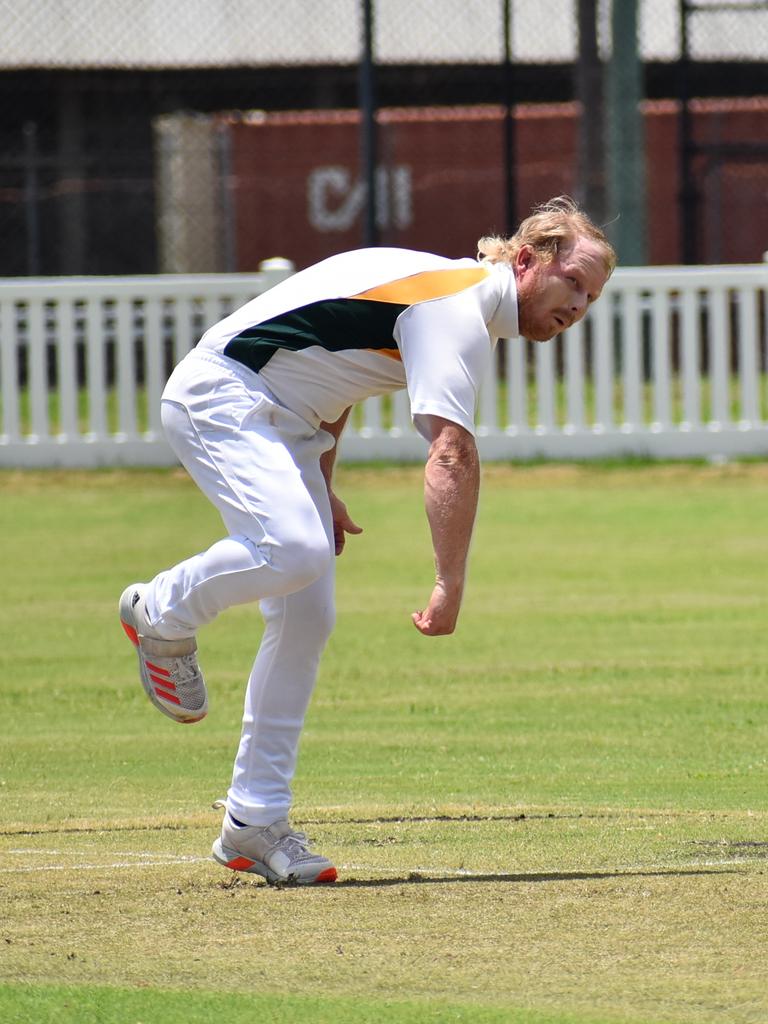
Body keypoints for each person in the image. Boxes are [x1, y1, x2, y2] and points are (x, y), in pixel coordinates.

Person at [119, 195, 615, 885]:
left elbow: (336, 368)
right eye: (573, 283)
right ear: (527, 258)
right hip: (223, 395)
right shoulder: (457, 307)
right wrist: (450, 582)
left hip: (282, 421)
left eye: (591, 296)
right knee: (296, 551)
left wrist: (322, 478)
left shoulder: (444, 292)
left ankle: (254, 822)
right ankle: (160, 613)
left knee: (308, 613)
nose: (579, 306)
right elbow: (451, 453)